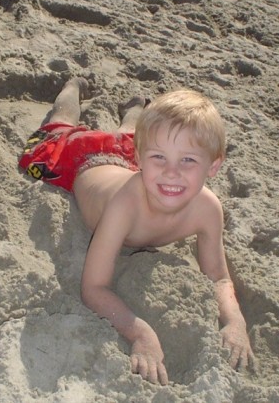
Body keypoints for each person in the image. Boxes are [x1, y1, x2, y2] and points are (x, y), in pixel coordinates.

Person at [19, 77, 254, 386]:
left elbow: (219, 277)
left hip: (128, 158)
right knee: (58, 128)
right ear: (141, 159)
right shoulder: (125, 205)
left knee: (131, 136)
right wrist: (140, 332)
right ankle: (73, 88)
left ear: (213, 166)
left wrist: (234, 320)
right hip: (82, 160)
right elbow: (93, 287)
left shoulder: (208, 209)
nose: (173, 172)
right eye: (160, 158)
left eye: (188, 160)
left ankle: (134, 110)